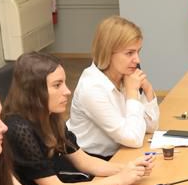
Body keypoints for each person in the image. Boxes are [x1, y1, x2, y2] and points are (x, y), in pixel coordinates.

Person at [3, 52, 157, 185]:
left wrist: (128, 169)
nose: (67, 91)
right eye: (57, 85)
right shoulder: (19, 129)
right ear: (34, 91)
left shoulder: (50, 116)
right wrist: (117, 180)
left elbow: (85, 162)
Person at [68, 15, 160, 155]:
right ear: (108, 52)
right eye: (129, 53)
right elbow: (134, 139)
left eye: (138, 51)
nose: (137, 60)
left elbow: (151, 126)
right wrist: (132, 94)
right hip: (90, 163)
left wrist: (147, 89)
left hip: (119, 153)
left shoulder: (125, 76)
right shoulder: (92, 88)